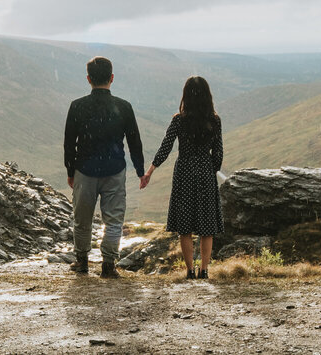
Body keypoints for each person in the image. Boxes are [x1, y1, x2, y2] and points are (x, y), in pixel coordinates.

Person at [62, 55, 145, 277]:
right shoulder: (124, 107)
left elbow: (70, 142)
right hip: (115, 170)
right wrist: (139, 170)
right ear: (112, 78)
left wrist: (71, 171)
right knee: (114, 220)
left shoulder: (77, 106)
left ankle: (82, 262)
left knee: (82, 219)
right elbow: (134, 142)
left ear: (88, 79)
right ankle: (108, 264)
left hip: (84, 170)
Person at [141, 75, 224, 279]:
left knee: (185, 225)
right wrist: (210, 169)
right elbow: (219, 152)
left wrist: (150, 171)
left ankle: (189, 271)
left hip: (184, 171)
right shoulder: (214, 120)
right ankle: (204, 270)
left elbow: (166, 147)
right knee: (207, 226)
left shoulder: (179, 120)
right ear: (207, 95)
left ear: (186, 95)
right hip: (205, 170)